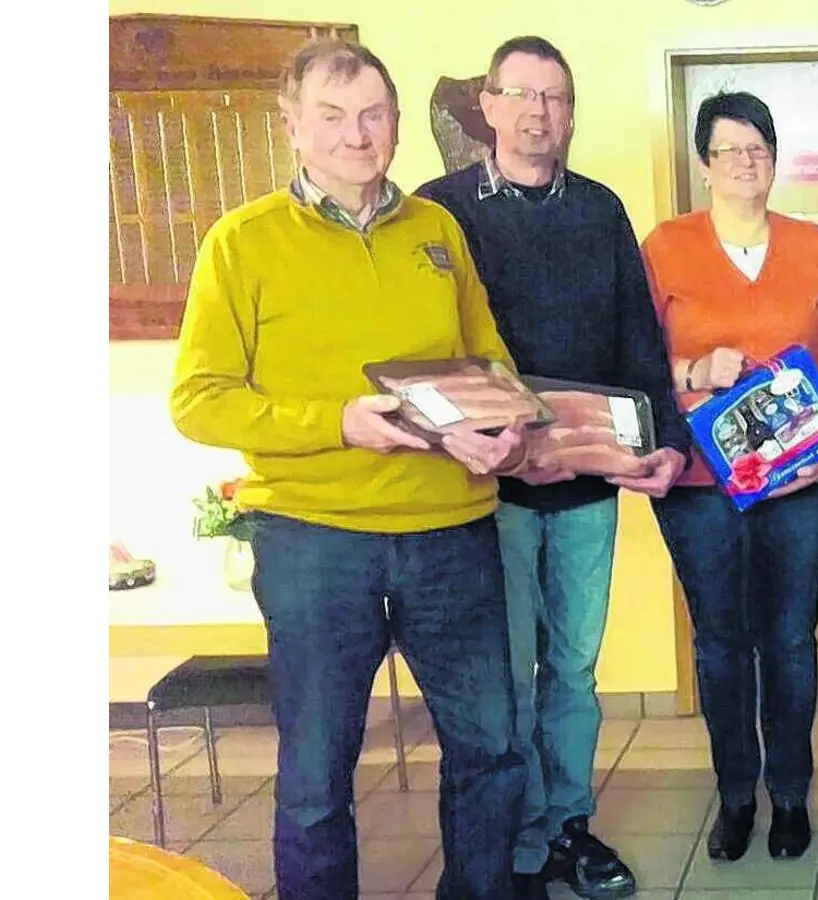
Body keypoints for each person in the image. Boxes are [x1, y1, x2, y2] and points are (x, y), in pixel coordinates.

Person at [169, 38, 530, 900]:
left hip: (451, 532)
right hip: (313, 543)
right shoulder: (242, 241)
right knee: (316, 775)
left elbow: (489, 362)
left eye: (372, 115)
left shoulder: (437, 230)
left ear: (396, 123)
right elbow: (198, 400)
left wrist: (504, 426)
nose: (356, 135)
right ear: (291, 126)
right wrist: (336, 422)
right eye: (331, 117)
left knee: (489, 751)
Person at [416, 35, 690, 900]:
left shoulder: (601, 210)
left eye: (556, 98)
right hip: (486, 490)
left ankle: (568, 823)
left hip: (587, 489)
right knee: (509, 678)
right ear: (488, 106)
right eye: (523, 95)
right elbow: (429, 352)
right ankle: (522, 840)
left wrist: (664, 438)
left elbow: (639, 337)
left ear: (571, 113)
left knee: (573, 671)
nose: (540, 113)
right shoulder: (441, 212)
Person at [640, 91, 818, 864]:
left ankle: (790, 793)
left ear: (774, 159)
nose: (745, 161)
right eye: (729, 149)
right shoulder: (665, 247)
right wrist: (693, 370)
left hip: (800, 486)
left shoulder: (811, 247)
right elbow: (637, 359)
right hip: (700, 487)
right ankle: (737, 794)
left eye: (758, 148)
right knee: (722, 644)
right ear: (703, 165)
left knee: (790, 639)